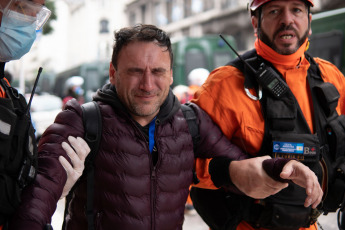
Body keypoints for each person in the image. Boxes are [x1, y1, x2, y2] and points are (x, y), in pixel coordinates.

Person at [7, 24, 249, 230]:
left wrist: (278, 167)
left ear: (171, 75)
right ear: (113, 73)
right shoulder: (81, 119)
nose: (147, 84)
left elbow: (244, 167)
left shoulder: (191, 121)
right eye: (135, 71)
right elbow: (40, 192)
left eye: (158, 71)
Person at [190, 0, 344, 229]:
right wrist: (231, 172)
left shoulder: (330, 76)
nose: (287, 20)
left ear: (309, 22)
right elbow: (181, 161)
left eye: (297, 10)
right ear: (255, 22)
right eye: (274, 11)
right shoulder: (224, 85)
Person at [0, 1, 90, 229]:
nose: (31, 19)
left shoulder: (8, 94)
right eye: (21, 7)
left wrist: (52, 186)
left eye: (37, 11)